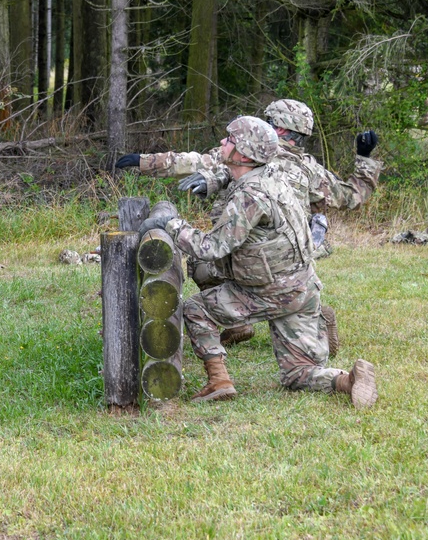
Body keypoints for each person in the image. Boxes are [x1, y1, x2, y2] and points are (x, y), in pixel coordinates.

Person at [138, 116, 378, 408]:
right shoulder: (275, 171)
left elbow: (211, 247)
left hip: (269, 290)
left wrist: (172, 224)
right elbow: (234, 173)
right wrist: (215, 179)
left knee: (195, 308)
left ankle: (219, 380)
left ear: (242, 153)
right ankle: (349, 380)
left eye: (229, 140)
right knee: (297, 374)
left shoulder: (249, 197)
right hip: (304, 286)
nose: (223, 143)